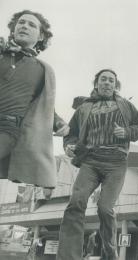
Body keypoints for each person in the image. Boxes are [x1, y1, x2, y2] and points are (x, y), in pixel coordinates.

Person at [56, 69, 138, 260]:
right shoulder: (84, 108)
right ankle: (68, 256)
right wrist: (69, 146)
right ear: (96, 84)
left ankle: (109, 252)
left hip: (116, 162)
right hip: (91, 161)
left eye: (111, 80)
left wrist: (127, 132)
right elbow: (71, 133)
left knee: (105, 209)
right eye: (103, 79)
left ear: (116, 85)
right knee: (76, 203)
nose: (107, 83)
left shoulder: (126, 105)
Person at [0, 10, 69, 188]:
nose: (24, 26)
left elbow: (44, 106)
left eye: (32, 25)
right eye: (21, 22)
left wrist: (60, 123)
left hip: (7, 128)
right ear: (13, 29)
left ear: (41, 36)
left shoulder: (41, 69)